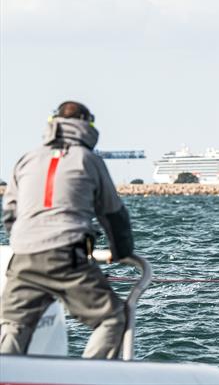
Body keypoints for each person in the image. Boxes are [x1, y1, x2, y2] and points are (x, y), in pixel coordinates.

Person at [1, 101, 134, 358]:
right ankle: (86, 377)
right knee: (112, 318)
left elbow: (10, 214)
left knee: (15, 327)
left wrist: (26, 242)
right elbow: (113, 215)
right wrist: (121, 252)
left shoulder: (27, 159)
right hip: (66, 256)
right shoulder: (89, 160)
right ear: (87, 125)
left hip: (23, 258)